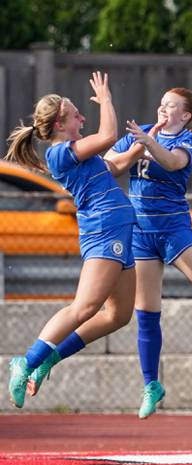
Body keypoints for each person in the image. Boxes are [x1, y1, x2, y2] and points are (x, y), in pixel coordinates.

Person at [28, 87, 192, 419]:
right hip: (139, 233)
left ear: (186, 117)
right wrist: (129, 149)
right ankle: (151, 385)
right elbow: (111, 166)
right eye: (161, 103)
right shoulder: (143, 132)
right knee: (146, 314)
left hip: (173, 231)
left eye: (171, 106)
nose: (163, 109)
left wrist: (147, 144)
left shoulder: (185, 142)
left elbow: (172, 162)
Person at [5, 72, 137, 408]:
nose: (82, 116)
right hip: (105, 231)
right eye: (76, 113)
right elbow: (108, 135)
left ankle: (49, 358)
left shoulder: (81, 155)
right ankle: (28, 361)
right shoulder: (61, 152)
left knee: (118, 315)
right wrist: (106, 99)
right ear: (61, 124)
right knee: (85, 307)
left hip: (118, 231)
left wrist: (146, 142)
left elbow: (116, 163)